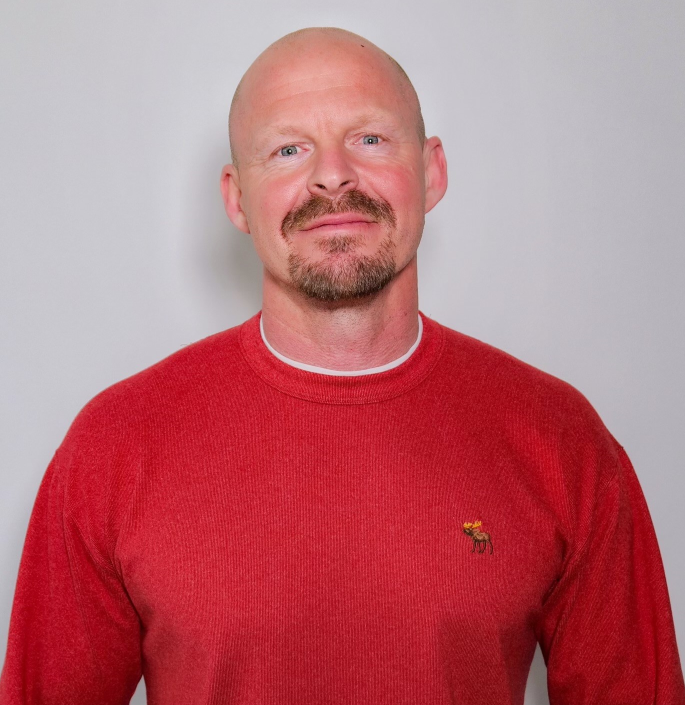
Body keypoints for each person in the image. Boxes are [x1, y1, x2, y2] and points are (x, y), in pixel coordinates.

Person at [1, 25, 683, 705]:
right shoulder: (114, 445)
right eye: (288, 149)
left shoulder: (560, 439)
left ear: (431, 171)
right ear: (236, 198)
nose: (332, 174)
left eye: (370, 138)